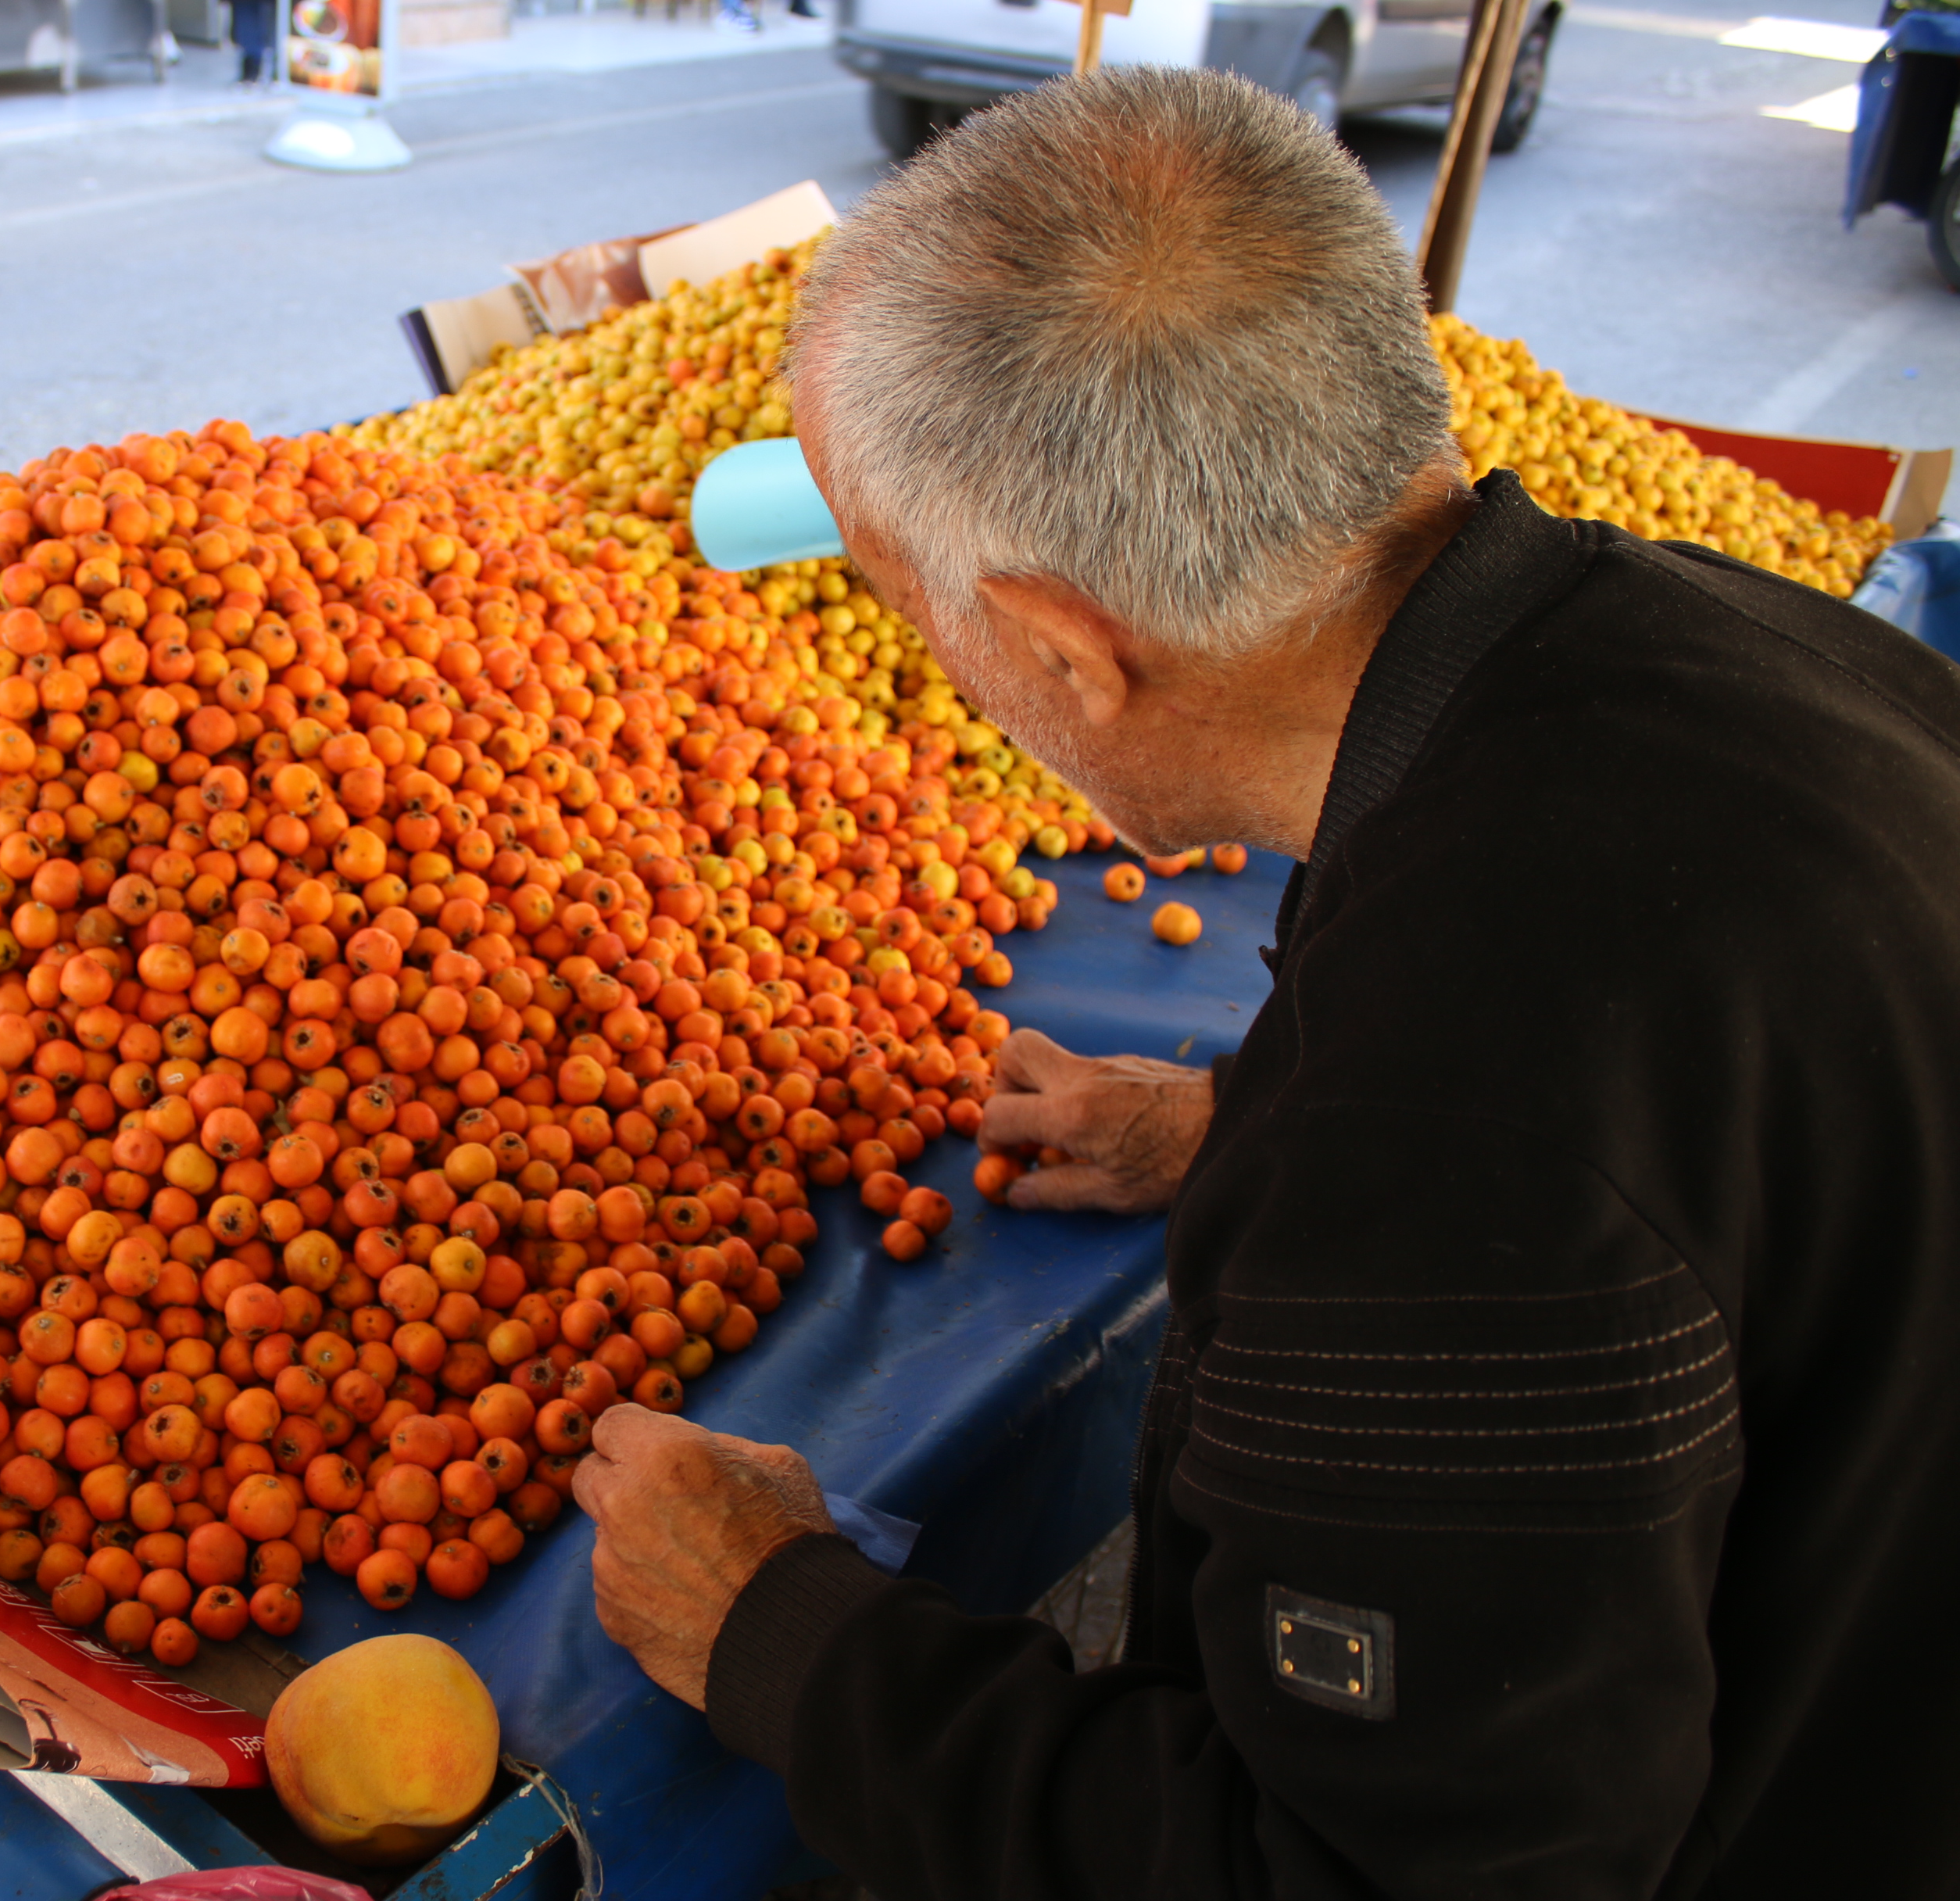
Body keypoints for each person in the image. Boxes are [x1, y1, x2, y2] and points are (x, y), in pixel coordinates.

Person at [571, 66, 1960, 1897]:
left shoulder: (1442, 1130)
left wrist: (785, 1635)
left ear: (1067, 649)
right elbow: (1727, 1157)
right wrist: (1240, 1121)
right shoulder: (1741, 644)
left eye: (912, 602)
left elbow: (1363, 1875)